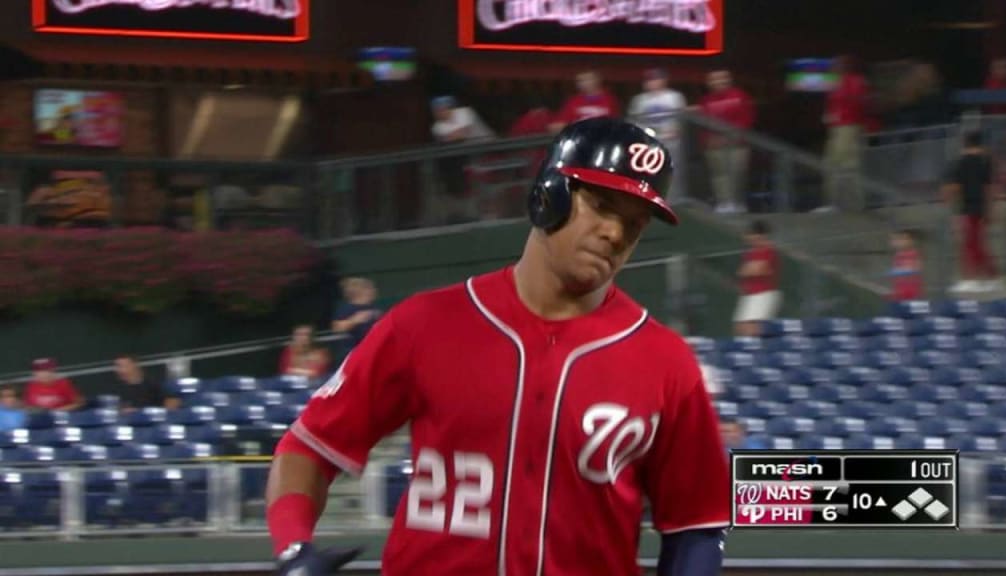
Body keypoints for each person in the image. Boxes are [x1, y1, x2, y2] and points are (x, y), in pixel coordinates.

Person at [265, 118, 731, 576]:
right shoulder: (425, 325)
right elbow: (308, 448)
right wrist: (293, 547)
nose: (616, 233)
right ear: (549, 195)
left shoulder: (666, 362)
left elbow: (698, 525)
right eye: (602, 205)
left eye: (635, 222)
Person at [943, 131, 1002, 292]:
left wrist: (949, 202)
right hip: (982, 207)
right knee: (977, 244)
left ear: (965, 144)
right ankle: (989, 277)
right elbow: (990, 188)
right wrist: (991, 210)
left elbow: (954, 187)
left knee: (970, 245)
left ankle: (975, 279)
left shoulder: (960, 162)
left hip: (967, 207)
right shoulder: (986, 160)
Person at [698, 69, 756, 214]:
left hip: (737, 144)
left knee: (737, 174)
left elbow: (747, 119)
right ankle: (724, 203)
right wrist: (707, 140)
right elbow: (702, 123)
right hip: (714, 146)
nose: (718, 81)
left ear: (728, 79)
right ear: (709, 82)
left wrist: (731, 137)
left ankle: (738, 203)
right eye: (714, 79)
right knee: (719, 176)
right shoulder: (705, 100)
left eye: (722, 78)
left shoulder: (740, 96)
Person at [628, 68, 687, 202]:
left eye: (656, 79)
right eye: (650, 80)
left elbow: (682, 118)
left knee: (672, 169)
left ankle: (673, 199)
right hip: (649, 141)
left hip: (670, 139)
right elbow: (635, 120)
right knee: (648, 170)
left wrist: (675, 130)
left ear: (664, 80)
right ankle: (650, 197)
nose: (653, 83)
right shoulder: (640, 100)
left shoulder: (674, 97)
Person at [822, 55, 869, 212]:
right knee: (831, 164)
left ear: (846, 65)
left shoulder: (856, 81)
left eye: (837, 64)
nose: (833, 67)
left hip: (849, 127)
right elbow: (832, 105)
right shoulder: (834, 82)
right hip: (836, 129)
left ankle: (854, 205)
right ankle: (835, 204)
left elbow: (858, 103)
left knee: (848, 166)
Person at [733, 220, 781, 337]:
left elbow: (759, 270)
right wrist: (750, 269)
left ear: (761, 235)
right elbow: (742, 271)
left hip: (763, 294)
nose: (749, 238)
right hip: (749, 294)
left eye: (751, 234)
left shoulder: (769, 251)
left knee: (753, 329)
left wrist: (750, 269)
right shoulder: (750, 253)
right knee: (739, 327)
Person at [548, 70, 621, 133]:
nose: (583, 83)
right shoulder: (573, 101)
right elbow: (558, 125)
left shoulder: (610, 99)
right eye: (580, 81)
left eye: (587, 79)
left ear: (597, 80)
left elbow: (615, 124)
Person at [330, 277, 381, 364]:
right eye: (370, 288)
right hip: (355, 354)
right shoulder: (346, 309)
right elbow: (337, 328)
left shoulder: (374, 308)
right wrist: (355, 320)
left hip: (374, 351)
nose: (374, 291)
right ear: (362, 291)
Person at [114, 355, 180, 412]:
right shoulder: (116, 390)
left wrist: (140, 412)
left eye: (122, 366)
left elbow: (173, 402)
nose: (119, 370)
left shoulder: (153, 384)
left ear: (133, 365)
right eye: (117, 366)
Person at [888, 229, 923, 301]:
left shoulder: (913, 253)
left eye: (900, 239)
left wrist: (898, 271)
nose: (896, 242)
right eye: (893, 239)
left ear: (910, 240)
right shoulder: (897, 256)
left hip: (911, 292)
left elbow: (916, 268)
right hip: (899, 292)